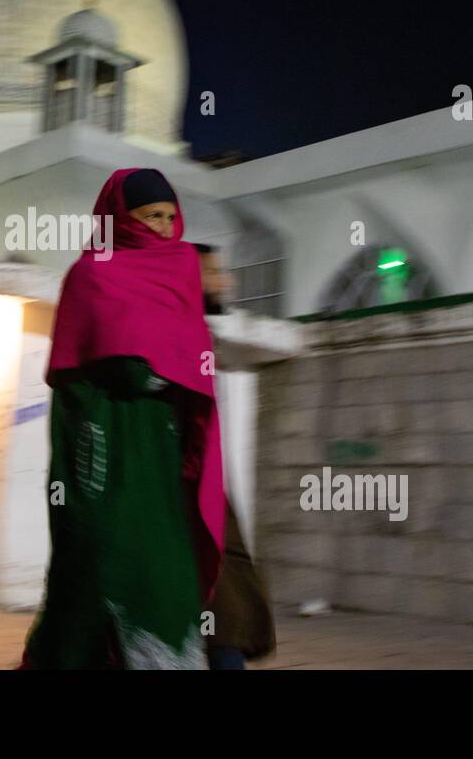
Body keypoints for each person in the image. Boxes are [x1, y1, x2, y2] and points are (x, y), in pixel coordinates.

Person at [21, 168, 226, 669]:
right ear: (119, 217)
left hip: (162, 451)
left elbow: (187, 356)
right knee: (98, 572)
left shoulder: (181, 270)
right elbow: (103, 370)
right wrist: (150, 368)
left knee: (166, 579)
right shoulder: (93, 273)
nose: (160, 227)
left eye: (169, 217)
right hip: (104, 446)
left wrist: (167, 376)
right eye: (149, 216)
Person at [193, 242, 278, 669]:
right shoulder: (178, 334)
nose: (226, 281)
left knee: (225, 611)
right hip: (184, 495)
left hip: (205, 494)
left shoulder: (199, 335)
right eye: (214, 272)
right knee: (222, 613)